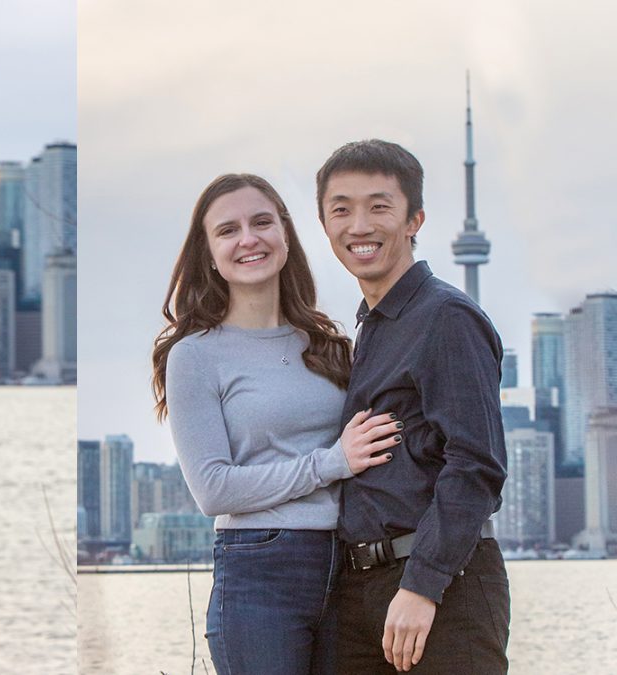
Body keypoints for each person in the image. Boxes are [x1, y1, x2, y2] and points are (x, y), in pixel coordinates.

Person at [151, 173, 402, 674]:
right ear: (208, 251)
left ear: (286, 234)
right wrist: (330, 463)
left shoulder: (331, 346)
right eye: (228, 230)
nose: (249, 238)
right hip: (260, 573)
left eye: (262, 222)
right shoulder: (195, 356)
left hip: (352, 566)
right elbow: (214, 490)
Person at [315, 139, 510, 674]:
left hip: (441, 588)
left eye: (379, 206)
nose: (359, 225)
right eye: (341, 209)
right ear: (325, 225)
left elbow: (476, 463)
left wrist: (422, 585)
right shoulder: (370, 329)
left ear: (413, 220)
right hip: (360, 592)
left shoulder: (446, 317)